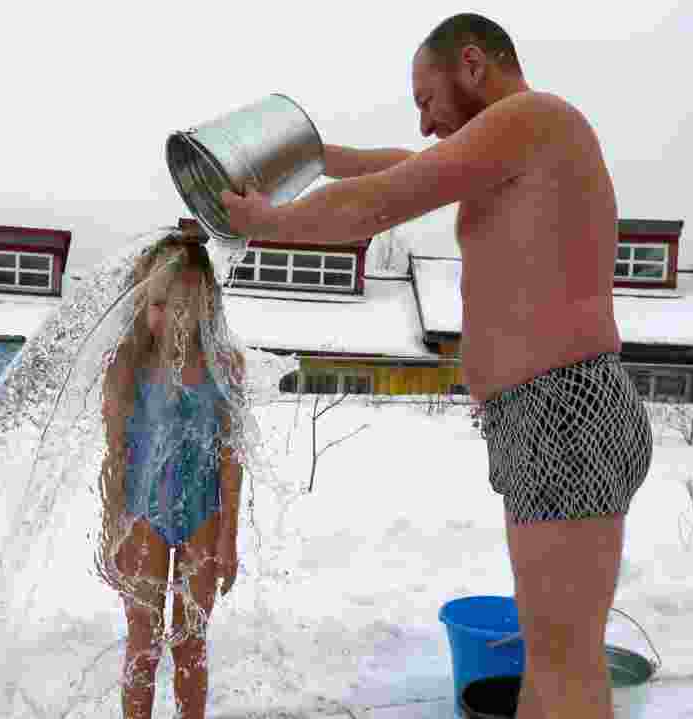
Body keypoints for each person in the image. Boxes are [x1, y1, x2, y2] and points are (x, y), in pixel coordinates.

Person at [221, 13, 652, 719]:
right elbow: (392, 166)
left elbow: (381, 199)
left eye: (427, 99)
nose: (423, 123)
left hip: (565, 407)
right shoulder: (512, 150)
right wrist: (312, 154)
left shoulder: (536, 118)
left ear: (474, 64)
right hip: (543, 414)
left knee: (564, 662)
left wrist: (267, 224)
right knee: (548, 660)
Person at [96, 235, 244, 719]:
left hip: (203, 515)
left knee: (191, 643)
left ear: (207, 305)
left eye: (185, 306)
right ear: (141, 301)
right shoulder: (125, 365)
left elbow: (231, 455)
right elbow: (115, 455)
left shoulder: (226, 366)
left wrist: (229, 535)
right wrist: (112, 525)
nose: (172, 318)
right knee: (143, 644)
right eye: (159, 304)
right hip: (142, 515)